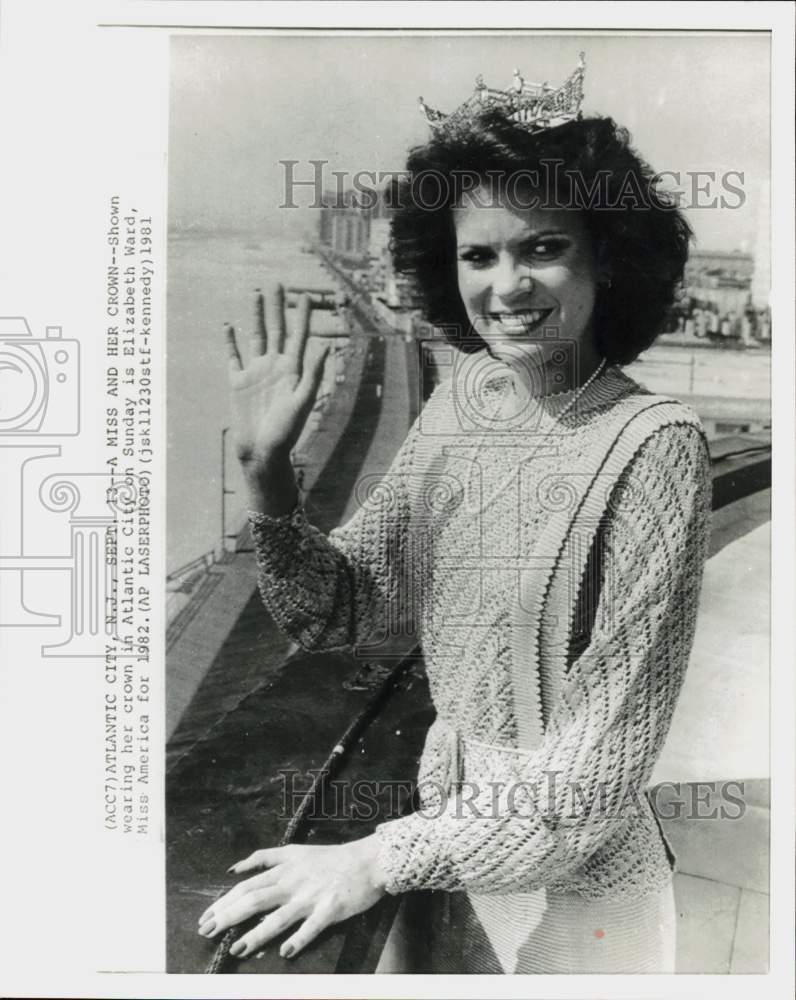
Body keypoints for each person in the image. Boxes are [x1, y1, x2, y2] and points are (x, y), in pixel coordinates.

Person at [197, 103, 712, 973]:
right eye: (479, 254)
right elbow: (340, 609)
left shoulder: (655, 447)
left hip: (576, 908)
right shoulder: (467, 396)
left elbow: (590, 787)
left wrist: (375, 858)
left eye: (542, 248)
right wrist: (268, 477)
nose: (505, 286)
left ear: (609, 259)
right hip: (444, 863)